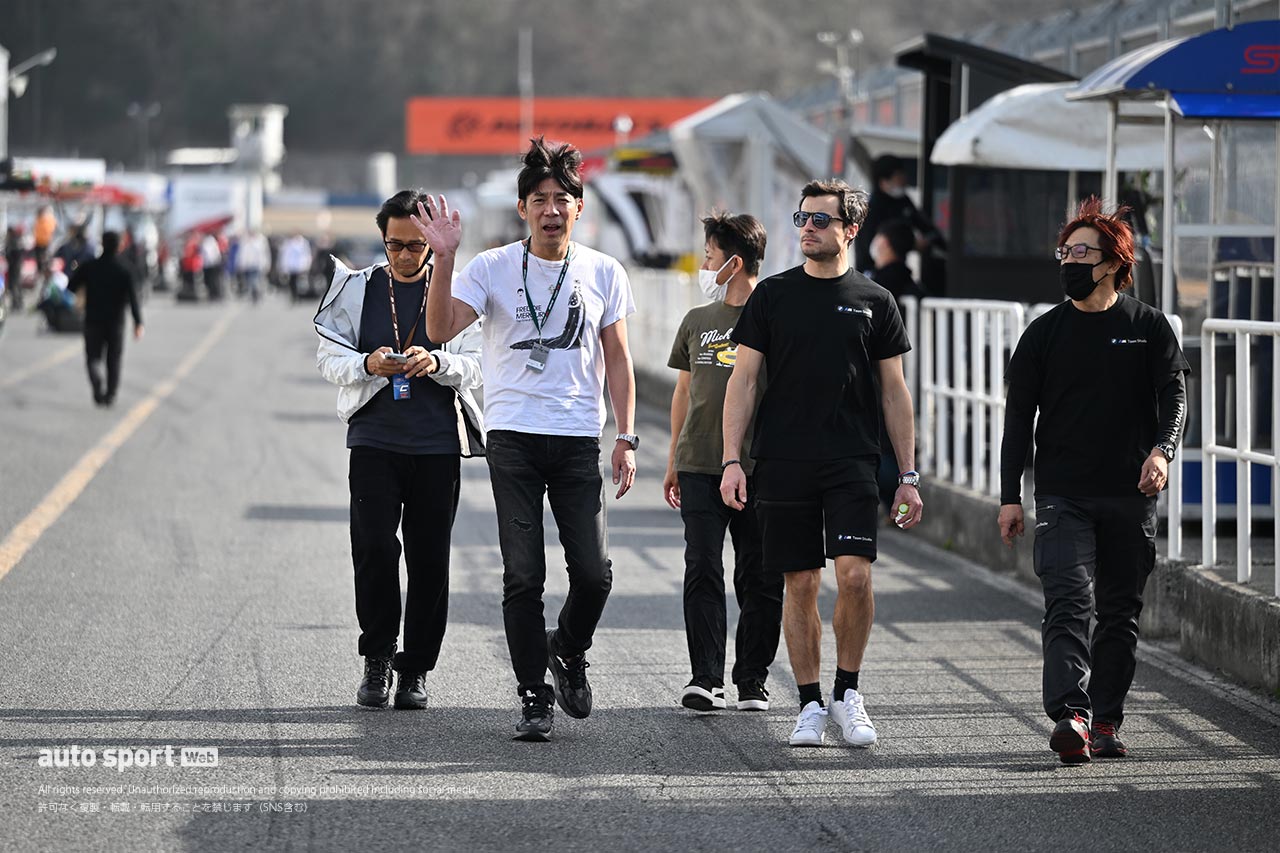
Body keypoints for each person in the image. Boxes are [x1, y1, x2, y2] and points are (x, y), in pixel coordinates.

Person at [416, 137, 638, 742]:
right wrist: (444, 260)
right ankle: (534, 696)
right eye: (539, 198)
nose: (551, 209)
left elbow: (617, 360)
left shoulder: (603, 272)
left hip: (575, 439)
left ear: (579, 208)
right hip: (511, 436)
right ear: (522, 209)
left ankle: (566, 648)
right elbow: (438, 330)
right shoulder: (489, 267)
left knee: (594, 575)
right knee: (523, 575)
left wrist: (628, 437)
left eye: (562, 199)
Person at [720, 178, 923, 749]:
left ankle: (847, 693)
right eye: (802, 218)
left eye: (820, 220)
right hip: (784, 460)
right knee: (800, 583)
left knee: (854, 575)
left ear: (849, 230)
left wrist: (908, 475)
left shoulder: (875, 300)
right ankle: (810, 703)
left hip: (852, 459)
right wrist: (732, 460)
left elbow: (894, 393)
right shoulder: (772, 297)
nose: (807, 228)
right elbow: (744, 380)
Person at [998, 197, 1190, 765]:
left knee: (1119, 614)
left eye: (1082, 252)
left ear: (1113, 263)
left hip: (1132, 495)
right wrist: (1011, 497)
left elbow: (1175, 396)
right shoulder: (1042, 334)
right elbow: (1016, 423)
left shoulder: (1149, 327)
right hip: (1061, 493)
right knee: (1066, 601)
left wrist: (1163, 451)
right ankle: (1071, 715)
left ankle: (1105, 720)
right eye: (1065, 251)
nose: (1069, 261)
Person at [314, 189, 485, 711]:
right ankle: (378, 655)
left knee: (430, 559)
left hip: (436, 446)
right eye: (395, 246)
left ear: (433, 244)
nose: (406, 256)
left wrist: (438, 364)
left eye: (416, 246)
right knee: (374, 550)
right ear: (382, 240)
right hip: (373, 441)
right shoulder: (357, 288)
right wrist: (368, 365)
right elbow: (328, 358)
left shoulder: (456, 294)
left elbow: (479, 364)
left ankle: (416, 670)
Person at [664, 211, 782, 713]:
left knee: (759, 575)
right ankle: (705, 677)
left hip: (761, 469)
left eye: (710, 255)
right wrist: (673, 458)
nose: (704, 262)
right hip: (699, 464)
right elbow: (684, 392)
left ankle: (752, 679)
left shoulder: (776, 317)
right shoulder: (697, 321)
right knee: (702, 567)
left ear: (733, 263)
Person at [868, 218, 928, 516]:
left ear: (886, 244)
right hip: (912, 375)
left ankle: (889, 497)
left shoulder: (875, 287)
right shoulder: (913, 286)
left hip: (879, 377)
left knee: (881, 442)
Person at [66, 232, 144, 406]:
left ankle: (96, 380)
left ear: (102, 244)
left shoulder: (90, 266)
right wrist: (138, 323)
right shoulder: (126, 269)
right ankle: (110, 394)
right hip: (116, 322)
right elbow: (133, 299)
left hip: (93, 319)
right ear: (120, 246)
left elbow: (71, 286)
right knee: (113, 359)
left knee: (93, 357)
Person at [852, 154, 943, 276]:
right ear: (884, 182)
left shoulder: (903, 201)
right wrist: (911, 244)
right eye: (899, 176)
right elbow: (871, 247)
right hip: (873, 271)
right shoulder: (870, 209)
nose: (904, 180)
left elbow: (924, 225)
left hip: (897, 268)